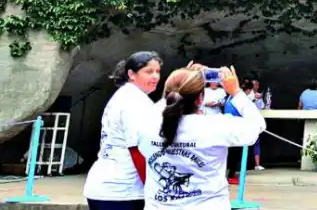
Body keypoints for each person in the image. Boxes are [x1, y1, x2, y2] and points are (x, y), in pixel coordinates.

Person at [138, 65, 265, 209]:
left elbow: (163, 104)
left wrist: (182, 79)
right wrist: (236, 92)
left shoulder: (145, 122)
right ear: (200, 99)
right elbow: (257, 125)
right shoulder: (215, 125)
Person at [83, 51, 162, 210]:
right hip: (121, 190)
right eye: (149, 71)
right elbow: (137, 150)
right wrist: (153, 188)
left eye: (158, 71)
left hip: (110, 187)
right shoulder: (134, 101)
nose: (155, 77)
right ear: (131, 74)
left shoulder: (128, 96)